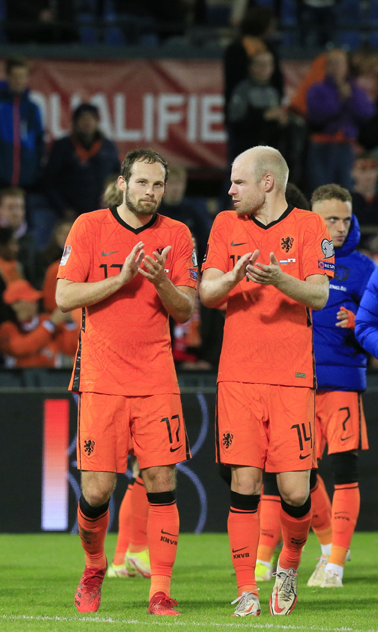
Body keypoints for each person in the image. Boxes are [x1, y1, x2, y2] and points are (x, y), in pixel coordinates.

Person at [55, 148, 195, 617]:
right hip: (102, 378)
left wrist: (161, 283)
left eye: (158, 186)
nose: (151, 193)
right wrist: (121, 280)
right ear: (122, 183)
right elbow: (63, 296)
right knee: (96, 492)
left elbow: (186, 309)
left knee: (161, 481)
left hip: (157, 378)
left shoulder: (177, 235)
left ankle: (160, 590)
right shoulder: (89, 227)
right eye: (142, 184)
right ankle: (94, 567)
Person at [200, 146, 333, 617]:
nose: (230, 190)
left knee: (297, 492)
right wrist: (233, 277)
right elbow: (206, 293)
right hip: (237, 377)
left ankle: (289, 567)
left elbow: (318, 293)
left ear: (267, 183)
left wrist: (279, 279)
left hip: (292, 378)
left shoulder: (309, 227)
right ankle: (247, 590)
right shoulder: (224, 225)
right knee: (245, 482)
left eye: (238, 182)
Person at [297, 184, 373, 588]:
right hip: (298, 383)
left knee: (344, 470)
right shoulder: (295, 258)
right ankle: (327, 550)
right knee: (301, 476)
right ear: (313, 219)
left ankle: (336, 567)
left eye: (346, 218)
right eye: (331, 219)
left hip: (342, 381)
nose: (340, 227)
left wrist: (359, 319)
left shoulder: (363, 268)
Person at [305, 49, 375, 191]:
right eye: (331, 63)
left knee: (346, 192)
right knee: (321, 191)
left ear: (346, 67)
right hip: (321, 145)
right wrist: (340, 100)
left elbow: (367, 113)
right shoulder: (317, 89)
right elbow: (317, 116)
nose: (335, 67)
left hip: (345, 146)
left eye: (339, 63)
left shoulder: (354, 89)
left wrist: (350, 98)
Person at [0, 57, 45, 198]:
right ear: (8, 76)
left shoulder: (33, 108)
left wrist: (33, 170)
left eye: (22, 76)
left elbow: (39, 141)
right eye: (15, 76)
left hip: (26, 180)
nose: (19, 80)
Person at [43, 103, 120, 217]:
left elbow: (117, 178)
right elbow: (49, 181)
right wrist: (64, 209)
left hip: (101, 212)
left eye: (91, 118)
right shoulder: (62, 146)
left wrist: (111, 204)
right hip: (68, 214)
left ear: (97, 122)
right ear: (75, 122)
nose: (87, 122)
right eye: (83, 118)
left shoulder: (108, 147)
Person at [227, 50, 288, 162]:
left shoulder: (273, 91)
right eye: (260, 64)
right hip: (246, 150)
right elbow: (235, 118)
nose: (265, 68)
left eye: (269, 64)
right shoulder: (243, 90)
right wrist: (263, 115)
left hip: (268, 151)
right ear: (251, 67)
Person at [0, 186, 44, 289]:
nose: (16, 212)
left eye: (19, 207)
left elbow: (38, 276)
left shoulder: (32, 240)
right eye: (10, 208)